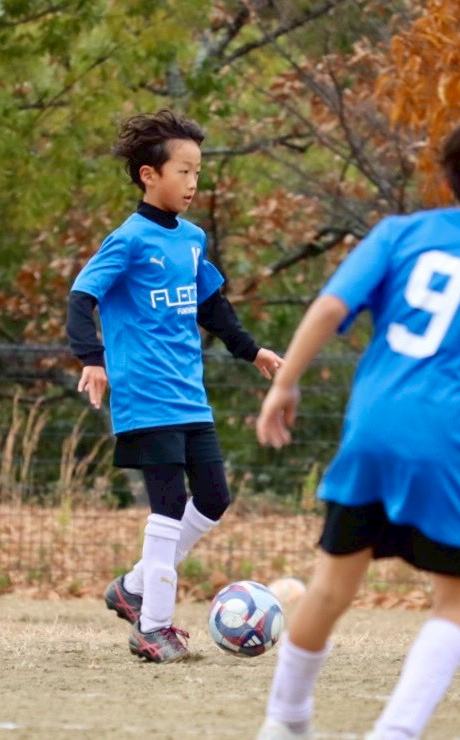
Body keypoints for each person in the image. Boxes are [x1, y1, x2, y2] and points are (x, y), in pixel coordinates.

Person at [254, 102, 460, 739]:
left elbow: (329, 307)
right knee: (459, 604)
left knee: (330, 588)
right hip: (447, 446)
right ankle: (394, 732)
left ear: (445, 174)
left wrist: (285, 382)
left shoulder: (399, 233)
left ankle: (284, 723)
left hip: (371, 430)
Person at [67, 109, 284, 663]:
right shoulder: (127, 240)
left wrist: (251, 349)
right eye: (183, 171)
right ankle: (153, 627)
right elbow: (81, 297)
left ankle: (133, 587)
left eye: (197, 172)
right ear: (149, 175)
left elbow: (212, 305)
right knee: (167, 507)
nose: (193, 183)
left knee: (214, 498)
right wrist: (92, 359)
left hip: (190, 395)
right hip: (145, 396)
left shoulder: (192, 239)